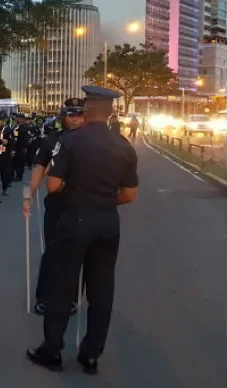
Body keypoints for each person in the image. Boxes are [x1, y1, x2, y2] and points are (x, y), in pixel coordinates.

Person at [26, 86, 139, 375]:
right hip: (108, 222)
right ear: (112, 112)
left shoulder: (73, 142)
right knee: (101, 291)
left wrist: (75, 195)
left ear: (87, 110)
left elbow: (53, 185)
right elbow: (129, 195)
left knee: (62, 285)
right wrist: (101, 201)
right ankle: (91, 355)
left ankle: (52, 349)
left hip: (75, 218)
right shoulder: (124, 145)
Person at [23, 99, 86, 316]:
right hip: (57, 204)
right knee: (51, 252)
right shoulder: (52, 140)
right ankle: (45, 297)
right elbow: (39, 168)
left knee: (75, 254)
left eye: (79, 113)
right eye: (71, 114)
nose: (75, 118)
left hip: (81, 205)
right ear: (63, 116)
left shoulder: (90, 142)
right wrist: (28, 195)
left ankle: (70, 297)